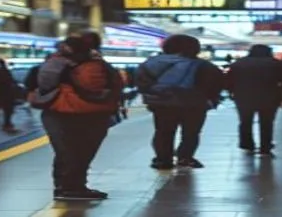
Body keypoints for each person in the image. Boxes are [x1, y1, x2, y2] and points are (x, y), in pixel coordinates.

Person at [29, 34, 122, 201]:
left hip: (56, 111)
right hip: (92, 113)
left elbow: (40, 85)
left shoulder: (51, 63)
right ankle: (74, 187)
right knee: (82, 152)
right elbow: (113, 85)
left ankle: (62, 187)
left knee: (64, 152)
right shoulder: (97, 66)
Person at [136, 35, 224, 170]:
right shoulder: (203, 65)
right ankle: (185, 157)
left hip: (162, 104)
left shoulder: (151, 63)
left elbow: (141, 83)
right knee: (191, 133)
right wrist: (211, 100)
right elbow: (215, 84)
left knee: (163, 132)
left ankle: (163, 159)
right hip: (194, 104)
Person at [226, 44, 282, 156]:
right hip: (270, 96)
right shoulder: (276, 64)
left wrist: (231, 92)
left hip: (244, 96)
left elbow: (228, 80)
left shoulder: (239, 63)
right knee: (267, 122)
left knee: (245, 121)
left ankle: (247, 144)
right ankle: (265, 147)